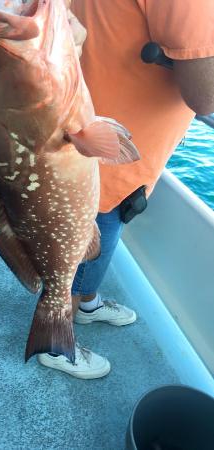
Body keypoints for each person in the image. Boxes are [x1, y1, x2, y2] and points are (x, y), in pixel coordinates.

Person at [37, 0, 214, 379]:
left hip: (94, 142)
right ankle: (55, 343)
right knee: (85, 244)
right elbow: (206, 96)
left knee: (99, 235)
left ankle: (87, 303)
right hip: (106, 156)